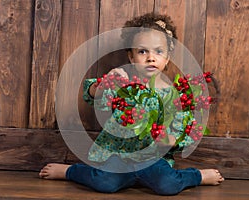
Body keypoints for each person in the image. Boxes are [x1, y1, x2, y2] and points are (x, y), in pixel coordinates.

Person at [39, 12, 224, 195]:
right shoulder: (122, 83)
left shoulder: (174, 95)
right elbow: (92, 95)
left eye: (158, 52)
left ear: (167, 58)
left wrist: (170, 141)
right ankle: (70, 171)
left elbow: (183, 131)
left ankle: (197, 176)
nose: (150, 58)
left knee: (168, 185)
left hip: (152, 159)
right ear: (131, 57)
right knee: (104, 182)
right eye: (142, 51)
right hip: (119, 156)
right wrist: (102, 84)